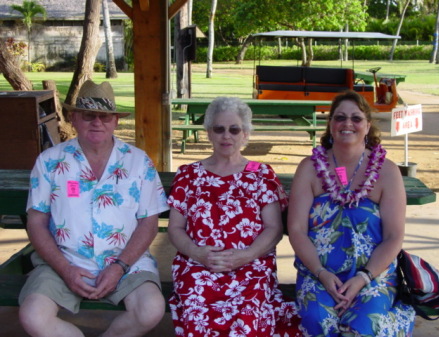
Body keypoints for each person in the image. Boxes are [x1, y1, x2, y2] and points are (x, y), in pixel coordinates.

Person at [19, 80, 169, 337]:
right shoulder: (50, 162)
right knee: (33, 316)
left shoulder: (138, 162)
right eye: (89, 115)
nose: (97, 122)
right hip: (64, 259)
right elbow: (36, 222)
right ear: (74, 119)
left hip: (127, 262)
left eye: (105, 116)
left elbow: (148, 223)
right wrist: (65, 269)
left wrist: (119, 266)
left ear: (115, 122)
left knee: (151, 309)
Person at [167, 97, 301, 337]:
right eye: (219, 129)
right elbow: (175, 228)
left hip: (251, 266)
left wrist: (246, 255)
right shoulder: (188, 175)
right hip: (198, 265)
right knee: (198, 309)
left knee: (248, 319)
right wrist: (198, 253)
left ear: (245, 134)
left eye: (234, 129)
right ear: (208, 133)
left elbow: (273, 228)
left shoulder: (260, 174)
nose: (226, 136)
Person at [287, 90, 416, 336]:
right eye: (340, 118)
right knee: (318, 320)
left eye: (356, 118)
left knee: (365, 326)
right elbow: (296, 230)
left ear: (368, 126)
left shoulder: (387, 172)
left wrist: (363, 278)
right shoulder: (309, 169)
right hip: (318, 275)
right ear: (330, 124)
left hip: (373, 277)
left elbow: (393, 237)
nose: (347, 124)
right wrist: (322, 274)